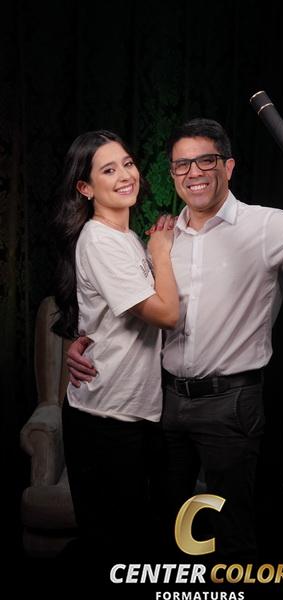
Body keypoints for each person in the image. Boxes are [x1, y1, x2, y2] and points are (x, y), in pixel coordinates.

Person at [66, 119, 283, 562]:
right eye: (182, 164)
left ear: (228, 167)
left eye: (206, 161)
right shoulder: (161, 235)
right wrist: (81, 339)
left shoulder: (266, 225)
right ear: (172, 174)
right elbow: (113, 301)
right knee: (167, 532)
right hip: (165, 404)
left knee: (231, 533)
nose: (194, 172)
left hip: (230, 404)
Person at [51, 130, 179, 560]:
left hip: (130, 411)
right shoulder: (100, 239)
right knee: (114, 550)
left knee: (135, 543)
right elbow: (166, 314)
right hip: (105, 417)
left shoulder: (124, 238)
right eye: (108, 170)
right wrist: (161, 251)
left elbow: (104, 319)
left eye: (127, 163)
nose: (125, 175)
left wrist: (152, 245)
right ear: (85, 188)